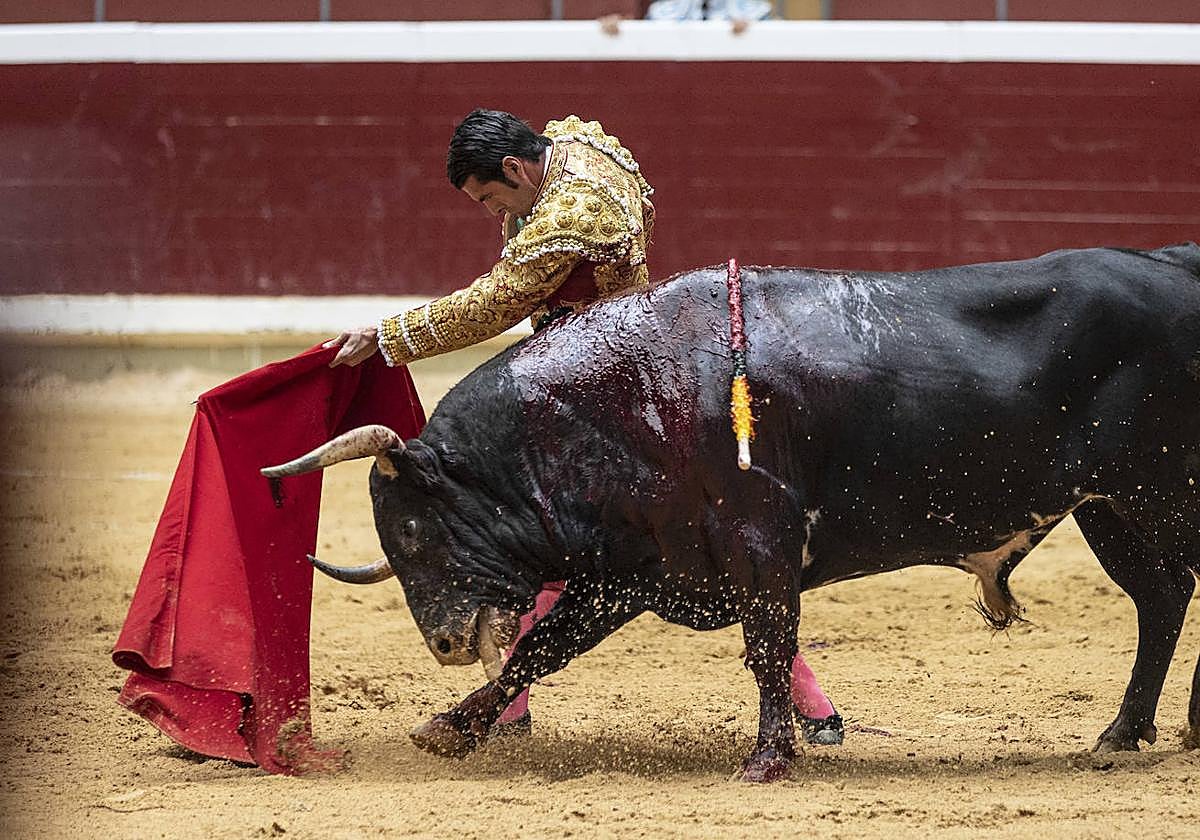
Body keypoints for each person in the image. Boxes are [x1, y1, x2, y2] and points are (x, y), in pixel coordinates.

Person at [325, 108, 844, 745]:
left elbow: (497, 302)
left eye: (491, 196)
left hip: (606, 402)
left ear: (516, 167)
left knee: (672, 550)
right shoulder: (572, 147)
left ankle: (808, 701)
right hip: (605, 381)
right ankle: (505, 706)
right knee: (631, 548)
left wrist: (391, 337)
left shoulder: (578, 209)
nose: (493, 213)